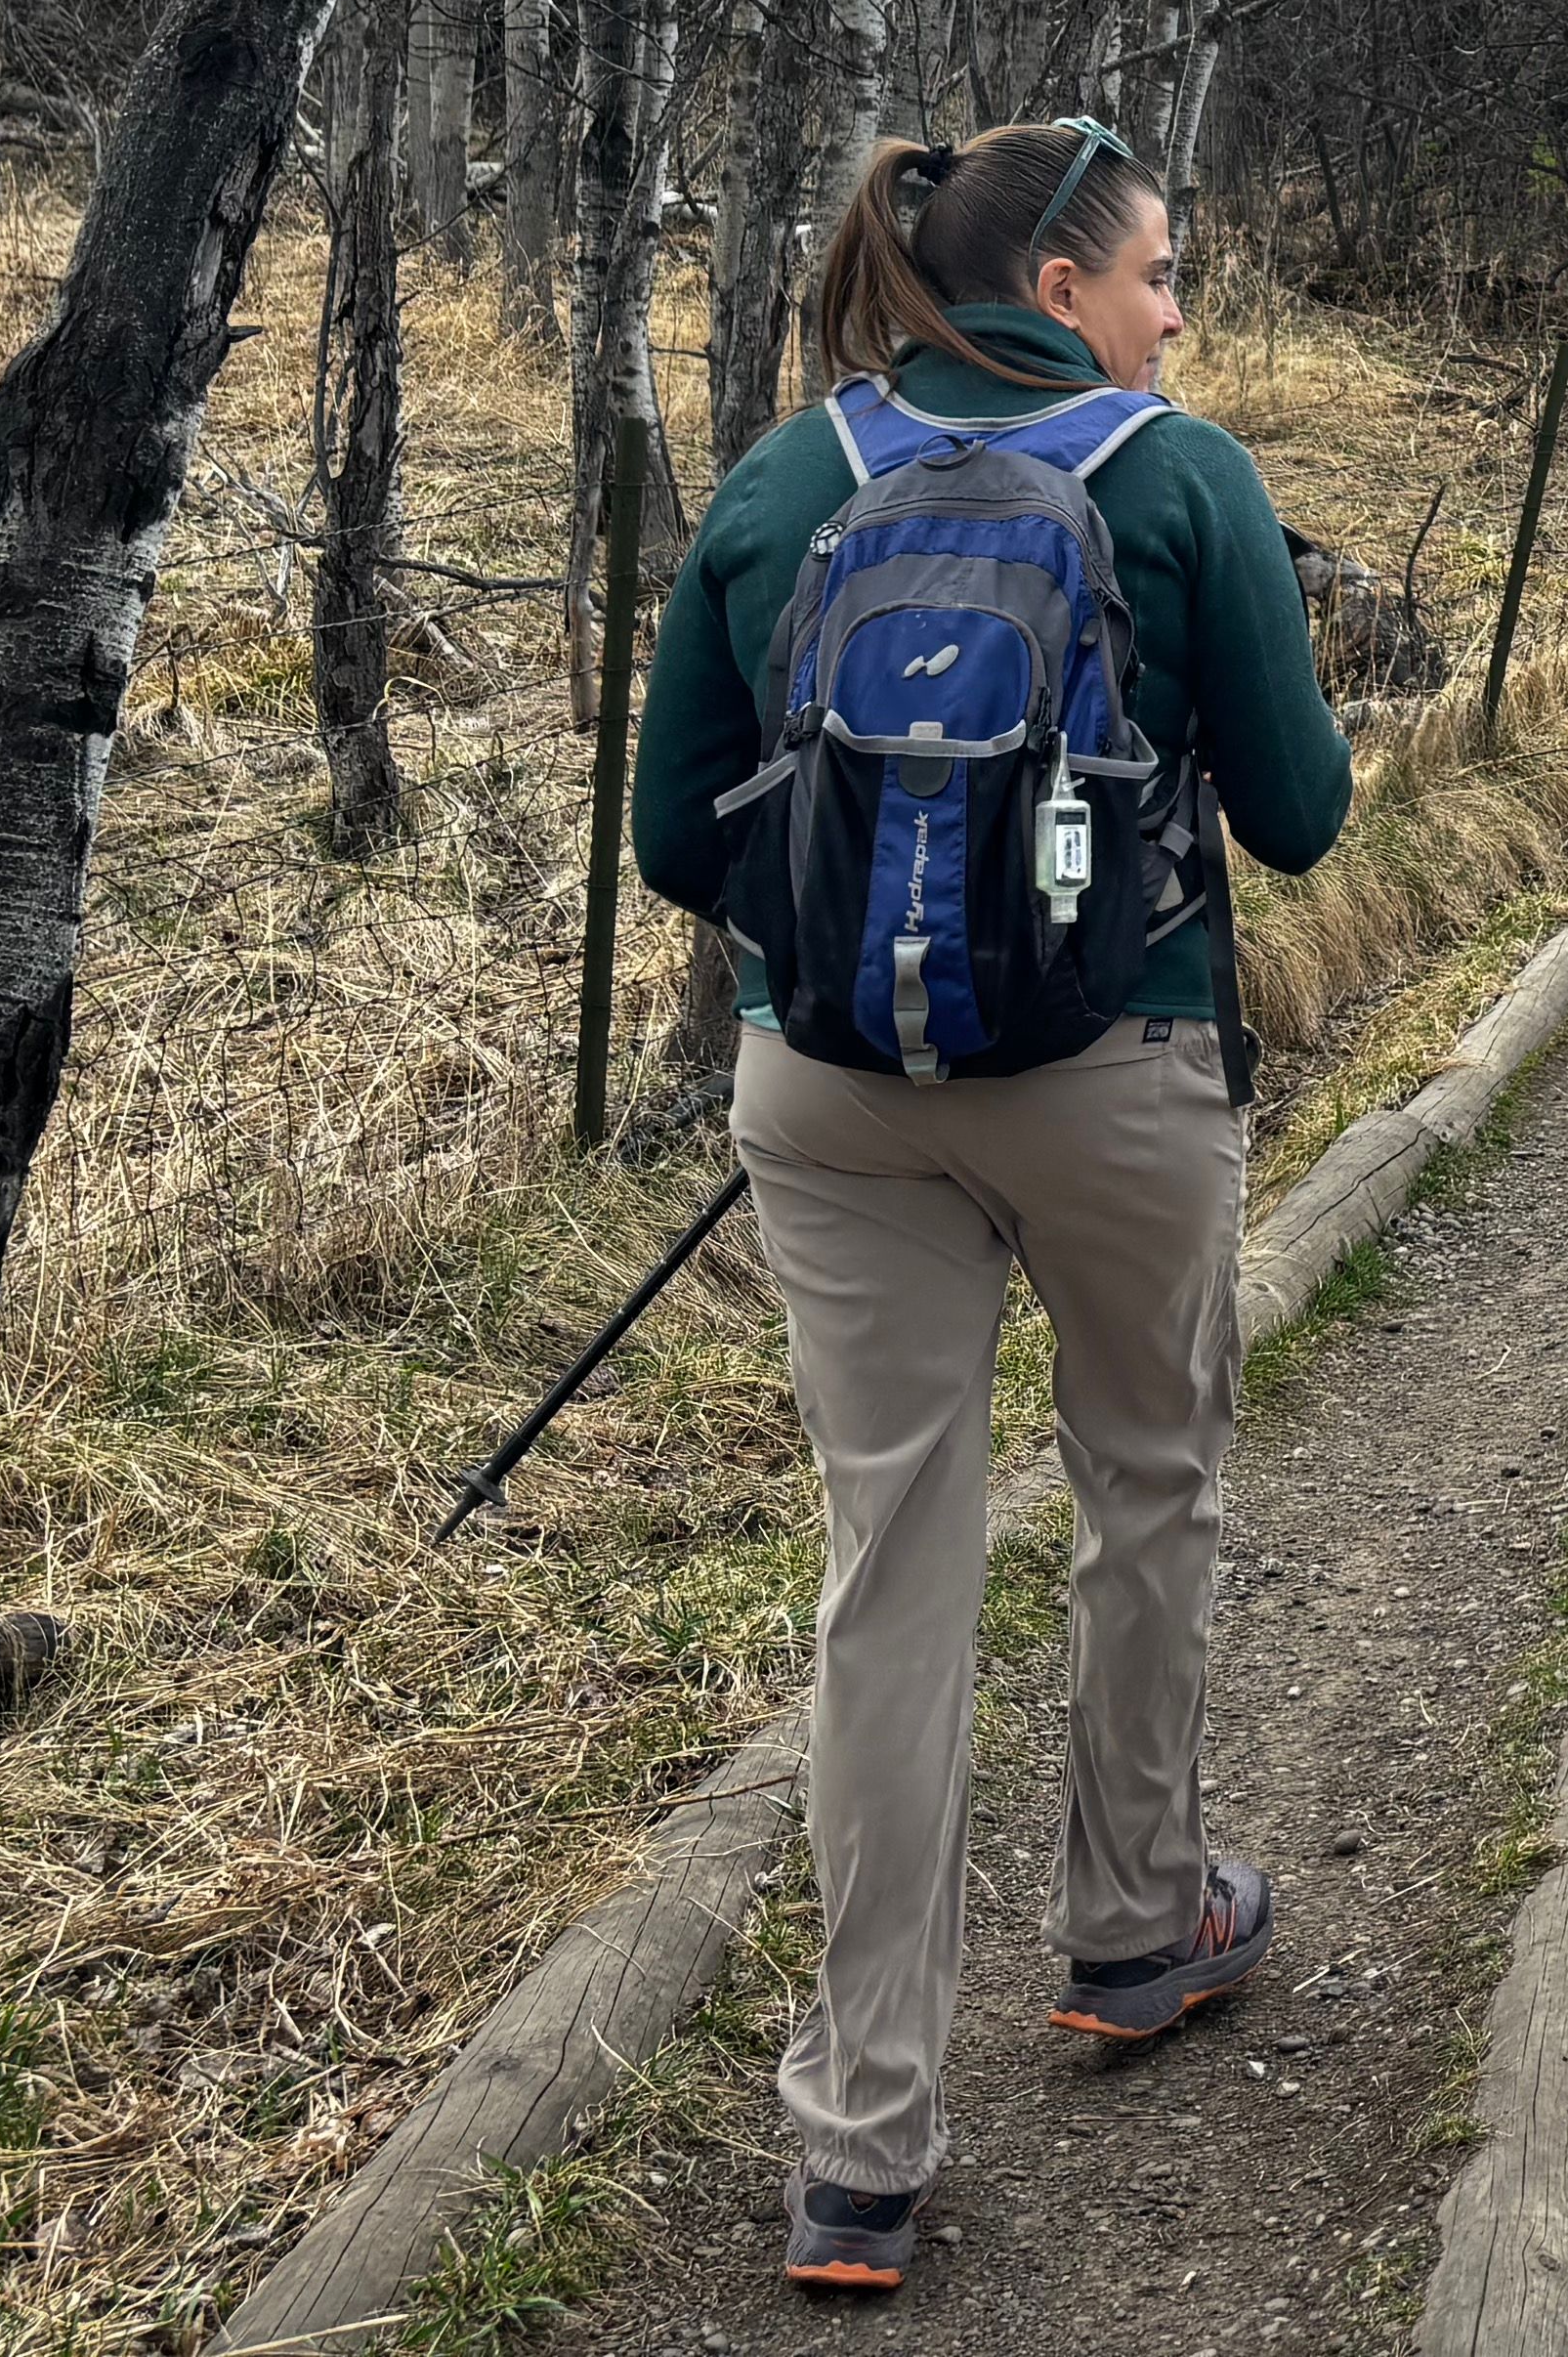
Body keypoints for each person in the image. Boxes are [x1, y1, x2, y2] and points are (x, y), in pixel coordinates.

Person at [633, 114, 1354, 2300]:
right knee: (1149, 1482)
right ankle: (1138, 1930)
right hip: (1119, 1073)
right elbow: (1308, 819)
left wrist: (862, 920)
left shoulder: (781, 482)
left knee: (893, 1571)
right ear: (1065, 288)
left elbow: (679, 841)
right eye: (1161, 278)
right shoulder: (1182, 473)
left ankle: (860, 2144)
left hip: (833, 1100)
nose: (1175, 317)